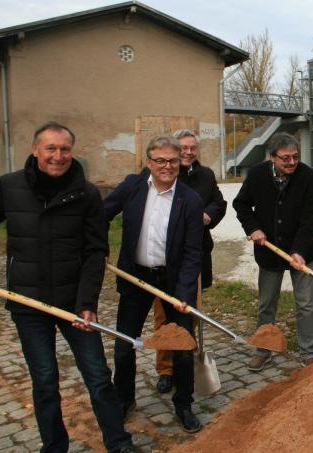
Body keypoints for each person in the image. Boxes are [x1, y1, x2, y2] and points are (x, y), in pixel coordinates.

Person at [0, 122, 137, 453]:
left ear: (72, 152)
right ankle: (54, 447)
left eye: (65, 149)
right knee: (44, 381)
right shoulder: (10, 186)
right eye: (50, 148)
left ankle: (118, 443)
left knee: (98, 377)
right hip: (27, 303)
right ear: (35, 150)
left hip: (74, 303)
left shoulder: (87, 193)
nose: (58, 156)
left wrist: (87, 303)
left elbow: (95, 251)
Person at [103, 135, 204, 433]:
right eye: (160, 160)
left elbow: (193, 253)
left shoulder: (190, 200)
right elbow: (100, 215)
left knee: (182, 346)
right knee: (124, 345)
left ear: (180, 163)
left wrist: (185, 293)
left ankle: (183, 404)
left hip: (173, 281)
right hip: (135, 278)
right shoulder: (132, 187)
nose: (167, 166)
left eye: (172, 160)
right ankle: (124, 398)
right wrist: (99, 249)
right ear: (149, 162)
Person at [233, 132, 313, 370]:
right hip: (269, 252)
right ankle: (263, 348)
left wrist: (299, 250)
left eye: (295, 157)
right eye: (285, 158)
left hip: (301, 251)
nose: (292, 162)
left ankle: (309, 352)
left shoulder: (307, 177)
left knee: (306, 303)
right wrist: (253, 228)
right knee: (267, 303)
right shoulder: (257, 174)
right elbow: (241, 204)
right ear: (272, 157)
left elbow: (311, 216)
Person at [152, 128, 227, 395]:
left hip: (196, 255)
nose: (188, 152)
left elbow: (219, 202)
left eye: (192, 148)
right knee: (164, 316)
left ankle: (186, 361)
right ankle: (166, 369)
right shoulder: (164, 175)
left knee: (191, 313)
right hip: (165, 258)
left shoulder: (205, 175)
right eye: (183, 147)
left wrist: (208, 214)